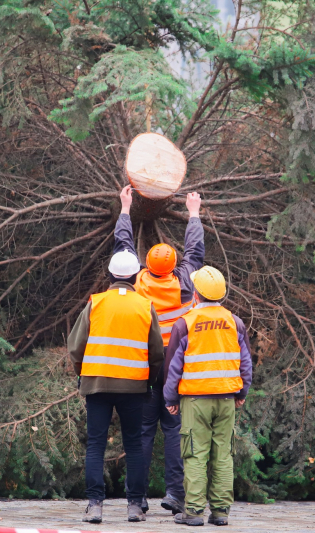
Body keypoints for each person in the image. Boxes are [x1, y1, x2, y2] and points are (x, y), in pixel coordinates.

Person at [114, 184, 204, 514]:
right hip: (176, 369)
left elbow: (123, 247)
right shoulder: (186, 281)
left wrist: (125, 209)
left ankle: (136, 502)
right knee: (175, 431)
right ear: (174, 264)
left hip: (145, 367)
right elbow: (195, 253)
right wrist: (193, 214)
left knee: (141, 434)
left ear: (147, 265)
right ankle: (176, 496)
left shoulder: (137, 283)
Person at [67, 249, 165, 524]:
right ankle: (134, 506)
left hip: (96, 384)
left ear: (110, 274)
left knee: (96, 444)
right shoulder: (145, 306)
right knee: (134, 444)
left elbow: (75, 348)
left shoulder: (95, 303)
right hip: (134, 387)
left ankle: (95, 506)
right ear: (135, 276)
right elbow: (157, 352)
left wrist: (82, 374)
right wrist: (148, 379)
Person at [163, 266, 253, 527]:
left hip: (195, 401)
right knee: (223, 455)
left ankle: (193, 512)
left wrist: (170, 400)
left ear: (196, 294)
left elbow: (173, 367)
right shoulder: (235, 322)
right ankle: (221, 512)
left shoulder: (185, 323)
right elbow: (245, 363)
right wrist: (241, 392)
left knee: (195, 454)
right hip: (226, 399)